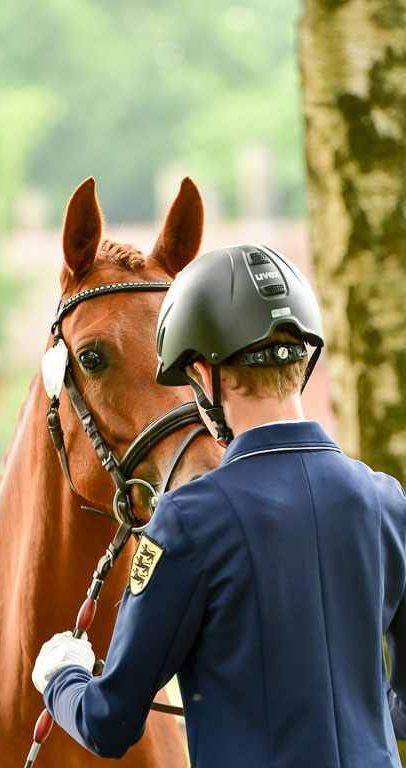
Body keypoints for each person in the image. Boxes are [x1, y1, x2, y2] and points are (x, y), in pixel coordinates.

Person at [32, 244, 406, 767]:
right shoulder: (387, 500)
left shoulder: (187, 521)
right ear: (304, 360)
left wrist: (62, 677)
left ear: (205, 378)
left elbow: (108, 722)